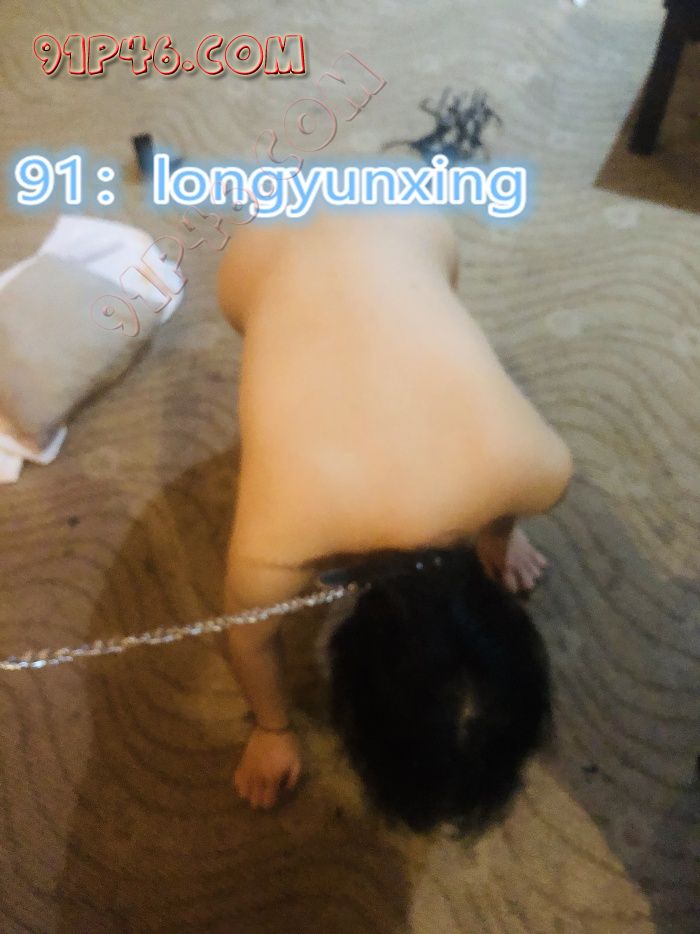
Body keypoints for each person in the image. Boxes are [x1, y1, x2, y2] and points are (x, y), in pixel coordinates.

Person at [216, 209, 573, 824]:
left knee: (418, 304)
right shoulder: (273, 550)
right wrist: (270, 727)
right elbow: (247, 640)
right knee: (294, 316)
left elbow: (254, 641)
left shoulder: (538, 472)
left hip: (407, 217)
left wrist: (497, 532)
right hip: (273, 248)